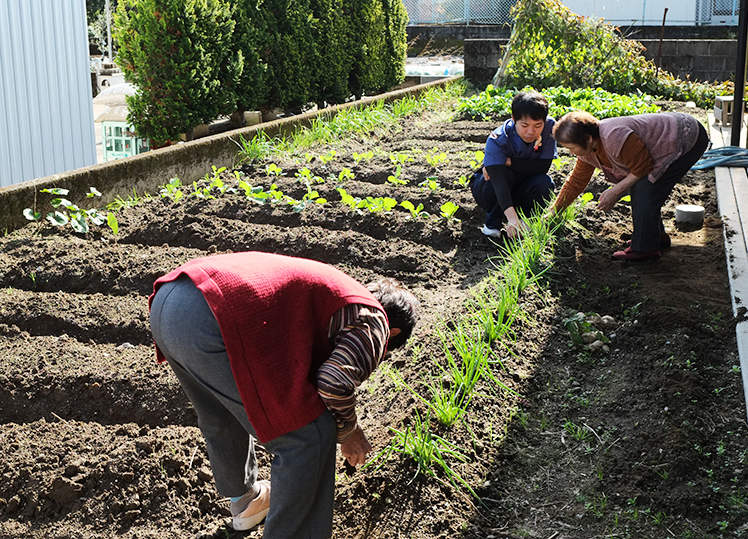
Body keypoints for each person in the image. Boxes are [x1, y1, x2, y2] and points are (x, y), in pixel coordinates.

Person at [148, 251, 420, 538]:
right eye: (386, 353)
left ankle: (246, 503)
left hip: (172, 301)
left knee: (220, 412)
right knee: (310, 436)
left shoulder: (341, 295)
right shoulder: (375, 320)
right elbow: (333, 383)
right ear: (394, 332)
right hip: (211, 319)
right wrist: (350, 432)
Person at [551, 110, 709, 261]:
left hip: (686, 135)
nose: (571, 152)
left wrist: (615, 191)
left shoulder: (613, 136)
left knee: (645, 187)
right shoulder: (587, 152)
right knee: (642, 185)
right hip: (666, 141)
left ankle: (645, 248)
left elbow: (643, 167)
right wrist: (553, 212)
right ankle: (655, 237)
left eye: (571, 148)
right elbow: (576, 182)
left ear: (588, 139)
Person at [471, 90, 558, 239]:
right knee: (502, 175)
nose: (531, 131)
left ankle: (527, 221)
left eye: (538, 125)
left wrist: (509, 161)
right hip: (492, 191)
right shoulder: (498, 138)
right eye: (525, 125)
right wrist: (511, 219)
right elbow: (498, 182)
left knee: (545, 183)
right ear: (513, 119)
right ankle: (492, 225)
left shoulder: (550, 128)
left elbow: (542, 167)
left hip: (522, 188)